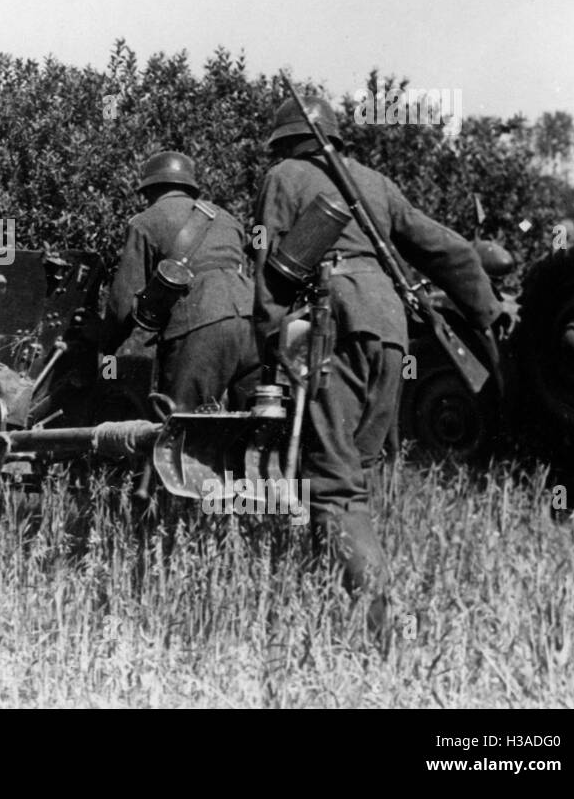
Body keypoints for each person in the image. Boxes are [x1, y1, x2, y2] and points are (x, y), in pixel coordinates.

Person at [252, 95, 505, 633]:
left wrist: (273, 345)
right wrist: (488, 315)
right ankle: (337, 596)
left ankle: (375, 623)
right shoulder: (375, 181)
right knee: (355, 474)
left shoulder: (284, 176)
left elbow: (269, 273)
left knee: (333, 483)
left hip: (331, 324)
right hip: (390, 328)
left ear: (284, 140)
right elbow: (449, 250)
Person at [101, 151, 259, 412]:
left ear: (149, 190)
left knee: (182, 426)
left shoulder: (145, 222)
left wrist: (105, 347)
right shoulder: (229, 219)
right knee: (252, 426)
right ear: (190, 187)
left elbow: (122, 306)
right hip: (251, 319)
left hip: (202, 324)